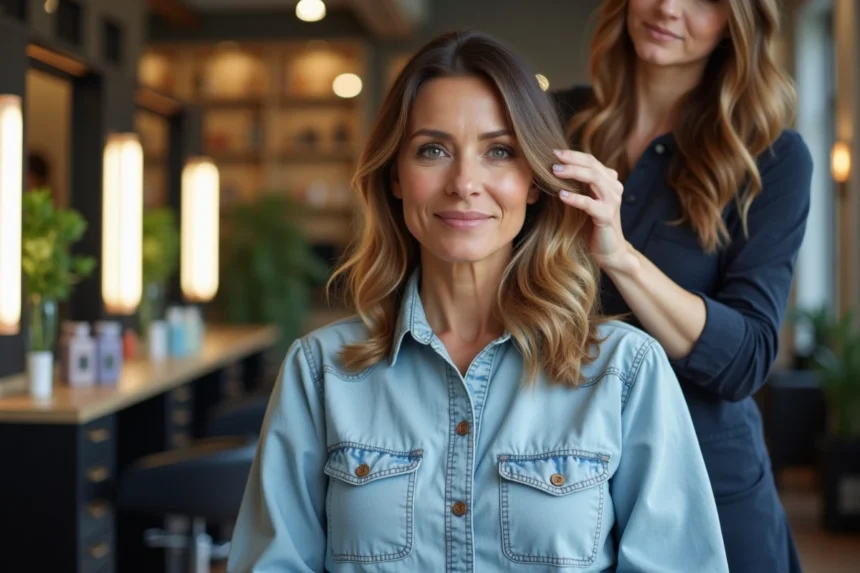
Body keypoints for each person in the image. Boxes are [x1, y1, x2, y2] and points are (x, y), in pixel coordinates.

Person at [227, 30, 729, 573]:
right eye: (433, 150)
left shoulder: (624, 371)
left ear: (535, 182)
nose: (465, 183)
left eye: (499, 152)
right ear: (396, 176)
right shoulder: (319, 371)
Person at [551, 1, 813, 572]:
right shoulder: (556, 122)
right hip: (555, 482)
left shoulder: (771, 157)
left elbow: (746, 357)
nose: (669, 7)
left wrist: (620, 258)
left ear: (738, 20)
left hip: (707, 486)